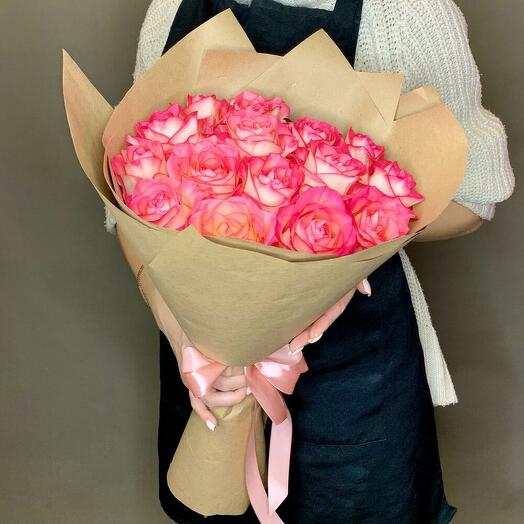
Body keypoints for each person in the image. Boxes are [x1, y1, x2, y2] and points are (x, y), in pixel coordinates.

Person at [111, 1, 515, 523]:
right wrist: (180, 329)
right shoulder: (171, 5)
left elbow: (474, 199)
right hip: (203, 353)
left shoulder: (408, 12)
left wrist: (340, 230)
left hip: (354, 366)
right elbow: (126, 192)